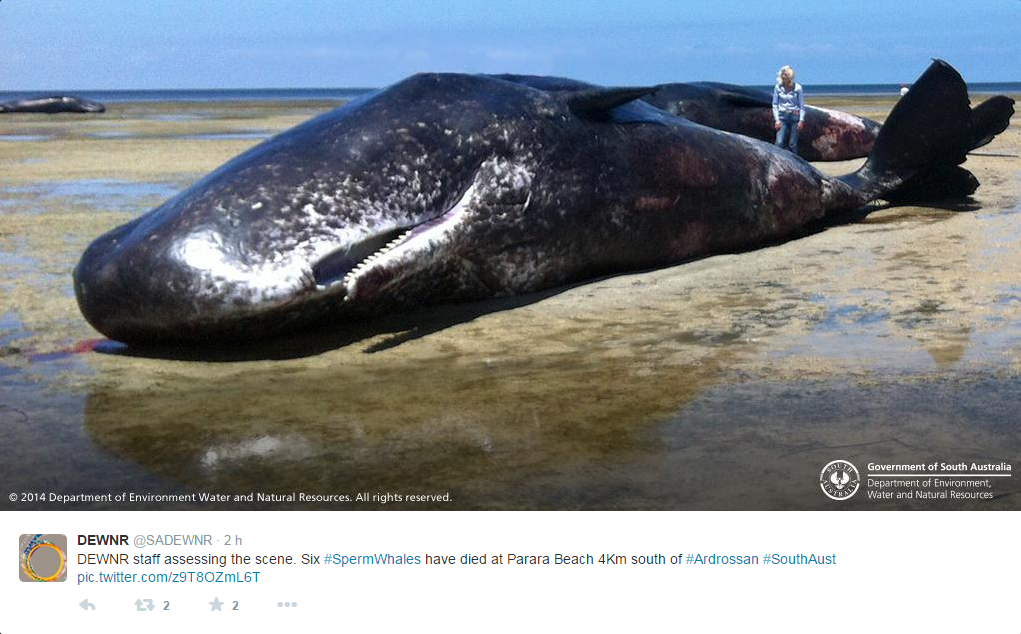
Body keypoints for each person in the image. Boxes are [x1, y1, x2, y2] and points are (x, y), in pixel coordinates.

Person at [772, 65, 804, 154]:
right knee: (779, 142)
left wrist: (801, 120)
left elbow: (801, 105)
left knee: (793, 144)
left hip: (794, 116)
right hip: (782, 116)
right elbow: (775, 104)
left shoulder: (798, 88)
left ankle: (796, 164)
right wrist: (777, 120)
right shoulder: (778, 87)